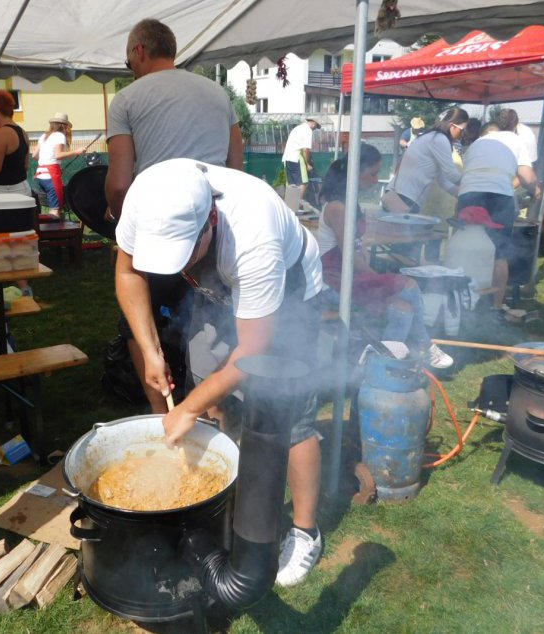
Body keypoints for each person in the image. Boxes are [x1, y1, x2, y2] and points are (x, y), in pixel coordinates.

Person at [115, 158, 325, 587]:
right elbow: (128, 272)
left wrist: (189, 407)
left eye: (185, 251)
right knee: (209, 383)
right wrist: (153, 352)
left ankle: (305, 532)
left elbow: (254, 348)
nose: (175, 266)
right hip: (216, 288)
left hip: (288, 291)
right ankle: (227, 491)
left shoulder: (255, 238)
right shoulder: (146, 197)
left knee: (287, 413)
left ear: (211, 218)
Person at [105, 17, 244, 413]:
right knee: (213, 329)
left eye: (129, 59)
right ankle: (213, 415)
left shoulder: (127, 99)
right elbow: (236, 166)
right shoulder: (218, 93)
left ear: (139, 51)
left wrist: (126, 229)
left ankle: (160, 413)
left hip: (158, 229)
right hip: (212, 231)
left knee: (139, 322)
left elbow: (118, 184)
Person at [318, 149, 454, 369]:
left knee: (404, 309)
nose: (375, 179)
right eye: (373, 174)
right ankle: (424, 345)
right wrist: (378, 278)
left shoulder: (349, 203)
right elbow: (349, 256)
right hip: (333, 283)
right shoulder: (337, 207)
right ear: (356, 174)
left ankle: (379, 367)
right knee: (408, 285)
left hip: (348, 277)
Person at [457, 121, 539, 309]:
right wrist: (535, 190)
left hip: (468, 193)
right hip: (499, 195)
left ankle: (462, 301)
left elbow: (468, 177)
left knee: (465, 247)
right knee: (499, 252)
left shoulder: (475, 145)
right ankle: (495, 306)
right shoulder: (514, 139)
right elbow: (527, 176)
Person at [384, 107, 468, 214]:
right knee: (404, 230)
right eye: (462, 130)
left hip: (394, 194)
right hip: (406, 198)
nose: (462, 134)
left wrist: (462, 194)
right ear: (452, 126)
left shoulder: (429, 137)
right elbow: (451, 174)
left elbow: (442, 180)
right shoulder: (439, 139)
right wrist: (472, 184)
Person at [33, 112, 84, 211]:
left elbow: (35, 155)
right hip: (50, 177)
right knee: (55, 210)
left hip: (40, 177)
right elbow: (58, 155)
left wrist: (45, 161)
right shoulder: (60, 136)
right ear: (64, 126)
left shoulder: (44, 136)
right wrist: (76, 151)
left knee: (53, 208)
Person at [282, 117, 321, 197]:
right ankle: (298, 204)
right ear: (313, 123)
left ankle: (291, 206)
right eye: (316, 127)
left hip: (288, 158)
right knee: (303, 183)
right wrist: (308, 164)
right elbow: (306, 150)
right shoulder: (307, 130)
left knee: (292, 185)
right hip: (297, 158)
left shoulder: (297, 128)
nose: (315, 129)